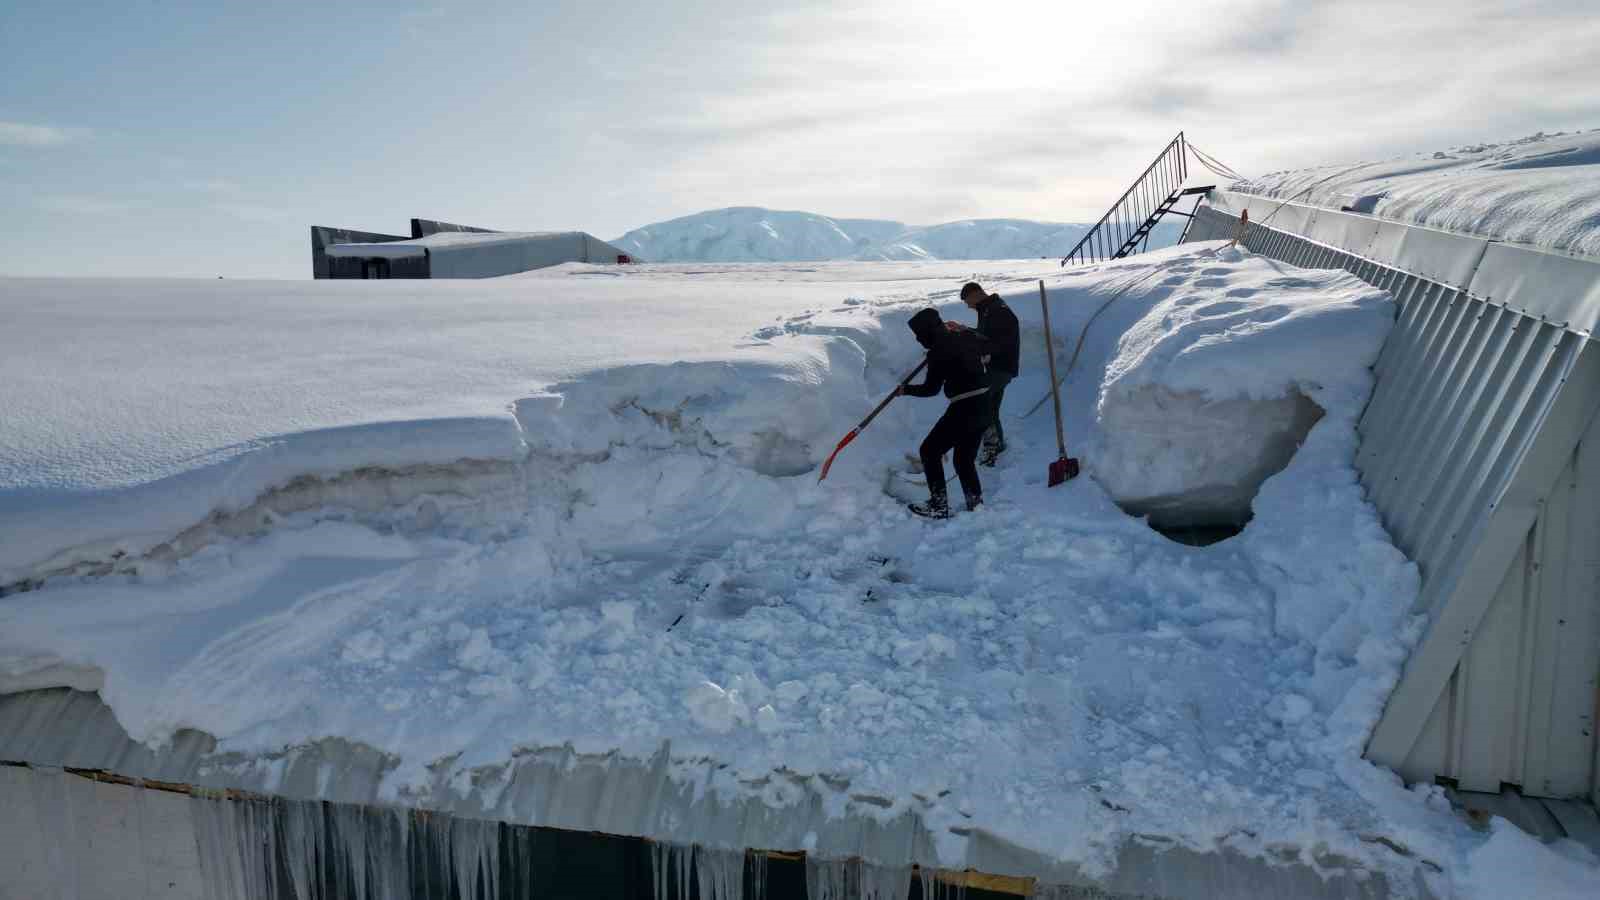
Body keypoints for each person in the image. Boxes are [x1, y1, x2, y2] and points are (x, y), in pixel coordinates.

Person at [896, 308, 990, 518]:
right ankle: (975, 504)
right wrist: (962, 331)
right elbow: (985, 342)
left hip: (964, 407)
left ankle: (938, 506)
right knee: (963, 460)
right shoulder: (964, 336)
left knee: (929, 451)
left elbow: (931, 389)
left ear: (926, 332)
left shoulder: (937, 352)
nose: (918, 340)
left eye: (919, 335)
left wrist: (905, 390)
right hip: (984, 404)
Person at [947, 282, 1019, 466]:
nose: (968, 306)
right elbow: (984, 335)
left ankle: (991, 447)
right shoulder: (988, 309)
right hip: (997, 367)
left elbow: (997, 344)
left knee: (982, 404)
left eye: (968, 301)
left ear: (976, 294)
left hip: (1001, 368)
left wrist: (971, 347)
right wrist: (964, 330)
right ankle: (996, 444)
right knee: (990, 408)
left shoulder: (998, 311)